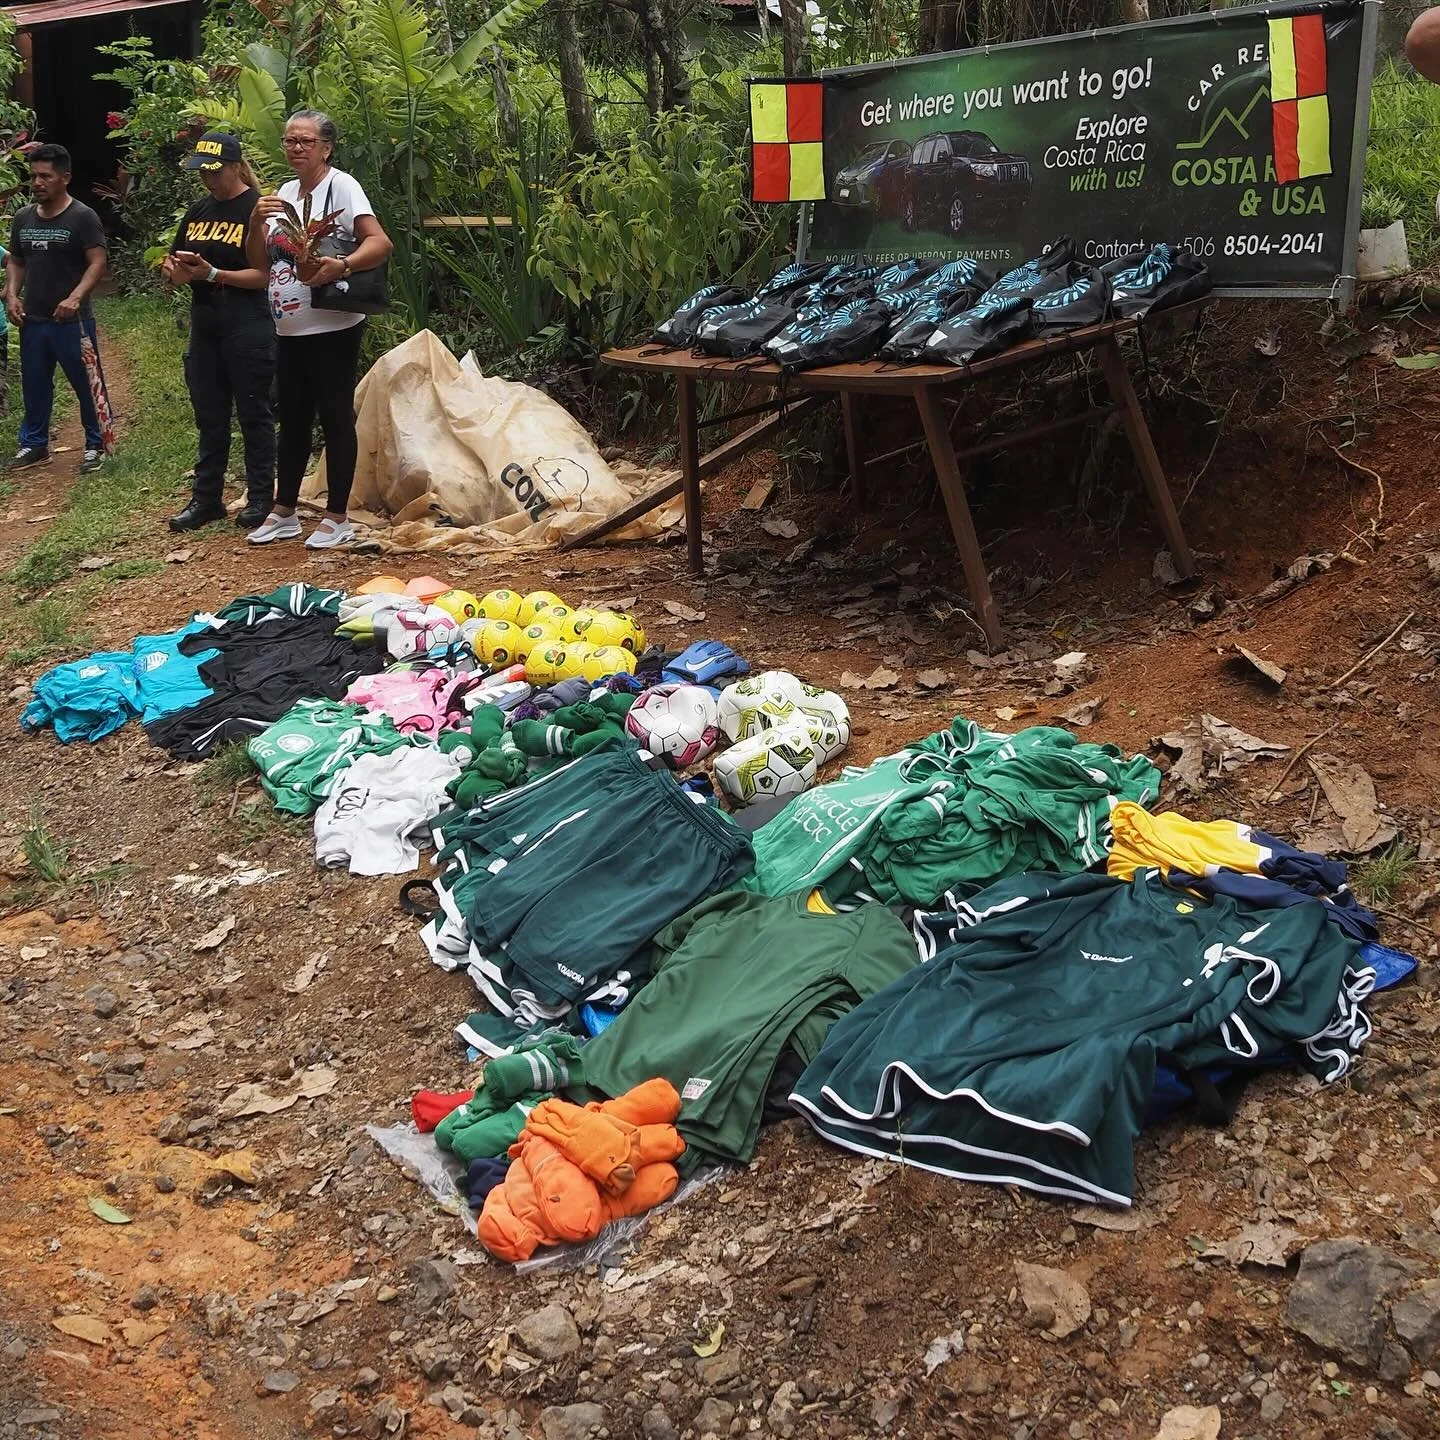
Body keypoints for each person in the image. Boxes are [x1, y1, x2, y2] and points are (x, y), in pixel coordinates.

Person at [244, 109, 391, 549]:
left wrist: (340, 264)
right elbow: (258, 262)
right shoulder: (284, 193)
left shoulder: (341, 185)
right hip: (289, 326)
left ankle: (337, 517)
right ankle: (284, 510)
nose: (296, 148)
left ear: (326, 147)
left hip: (333, 322)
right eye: (290, 141)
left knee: (334, 415)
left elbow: (379, 242)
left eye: (306, 141)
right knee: (292, 419)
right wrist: (254, 221)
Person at [163, 132, 276, 532]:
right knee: (210, 415)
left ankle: (262, 496)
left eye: (213, 171)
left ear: (234, 166)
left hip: (247, 321)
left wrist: (213, 273)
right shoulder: (199, 210)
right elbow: (173, 261)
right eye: (202, 172)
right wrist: (174, 271)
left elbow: (263, 276)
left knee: (253, 412)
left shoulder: (256, 208)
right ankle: (206, 498)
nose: (207, 179)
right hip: (206, 323)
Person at [4, 143, 110, 471]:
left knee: (86, 381)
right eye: (33, 176)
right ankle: (34, 444)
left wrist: (76, 296)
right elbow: (17, 261)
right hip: (33, 319)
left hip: (73, 321)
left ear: (65, 177)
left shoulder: (82, 217)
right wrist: (11, 294)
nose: (37, 183)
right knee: (35, 384)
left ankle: (97, 443)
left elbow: (98, 261)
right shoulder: (23, 218)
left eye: (45, 176)